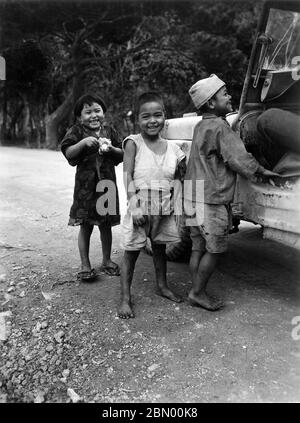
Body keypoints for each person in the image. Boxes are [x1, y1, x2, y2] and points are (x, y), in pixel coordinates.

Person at [184, 74, 279, 311]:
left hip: (192, 195)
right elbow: (238, 157)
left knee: (197, 246)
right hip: (211, 199)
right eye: (225, 94)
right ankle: (197, 292)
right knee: (215, 249)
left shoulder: (201, 126)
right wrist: (260, 171)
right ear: (210, 103)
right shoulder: (219, 127)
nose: (230, 97)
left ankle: (196, 288)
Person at [118, 91, 186, 319]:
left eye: (157, 115)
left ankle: (162, 286)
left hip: (163, 208)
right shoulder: (133, 143)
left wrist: (177, 206)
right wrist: (134, 205)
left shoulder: (174, 149)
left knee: (159, 249)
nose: (152, 121)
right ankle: (125, 297)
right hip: (140, 206)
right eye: (146, 116)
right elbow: (127, 176)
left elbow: (178, 178)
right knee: (132, 252)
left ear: (165, 116)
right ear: (138, 119)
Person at [61, 93, 123, 281]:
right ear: (80, 117)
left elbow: (122, 154)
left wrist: (111, 149)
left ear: (103, 112)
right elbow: (67, 151)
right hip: (85, 188)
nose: (94, 115)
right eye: (88, 112)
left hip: (107, 186)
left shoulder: (110, 131)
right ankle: (85, 265)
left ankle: (106, 260)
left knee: (106, 225)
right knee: (86, 226)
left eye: (97, 110)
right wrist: (82, 143)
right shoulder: (76, 131)